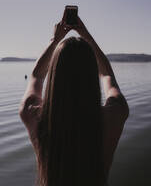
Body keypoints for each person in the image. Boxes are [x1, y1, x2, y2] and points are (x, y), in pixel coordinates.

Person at [19, 15, 129, 186]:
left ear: (55, 74)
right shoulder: (113, 116)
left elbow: (36, 76)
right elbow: (107, 75)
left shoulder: (35, 116)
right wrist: (87, 37)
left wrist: (55, 41)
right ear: (91, 75)